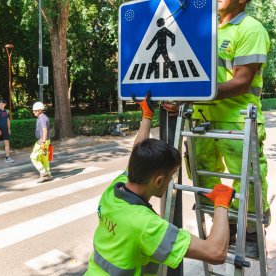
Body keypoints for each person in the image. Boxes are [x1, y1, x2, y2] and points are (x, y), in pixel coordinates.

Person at [85, 94, 235, 275]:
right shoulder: (147, 226)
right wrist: (221, 203)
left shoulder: (114, 191)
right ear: (158, 180)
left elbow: (137, 151)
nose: (172, 180)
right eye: (171, 175)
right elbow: (216, 252)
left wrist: (147, 116)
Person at [192, 0, 271, 245]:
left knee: (246, 178)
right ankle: (223, 223)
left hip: (238, 120)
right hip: (202, 118)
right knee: (202, 177)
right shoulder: (205, 29)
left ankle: (251, 229)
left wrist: (194, 95)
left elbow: (242, 81)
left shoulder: (251, 28)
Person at [30, 102, 52, 183]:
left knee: (33, 157)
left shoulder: (42, 118)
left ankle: (43, 173)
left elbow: (44, 130)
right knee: (44, 158)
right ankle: (48, 174)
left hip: (42, 140)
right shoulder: (43, 117)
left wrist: (43, 143)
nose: (33, 112)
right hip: (45, 140)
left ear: (39, 110)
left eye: (35, 111)